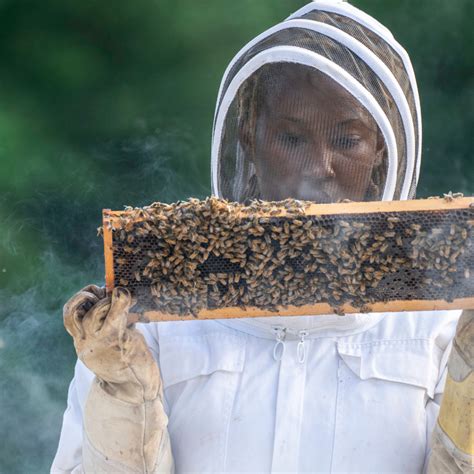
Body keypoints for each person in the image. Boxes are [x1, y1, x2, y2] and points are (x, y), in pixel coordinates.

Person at [51, 1, 472, 472]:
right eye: (291, 138)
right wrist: (122, 395)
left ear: (380, 150)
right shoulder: (152, 318)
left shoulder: (438, 324)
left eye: (346, 139)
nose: (318, 167)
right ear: (251, 137)